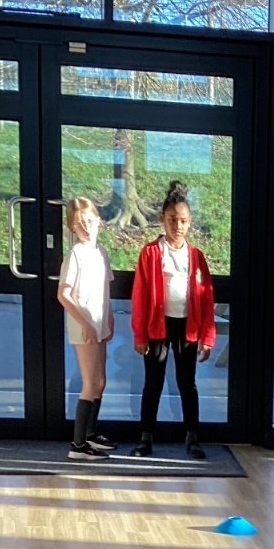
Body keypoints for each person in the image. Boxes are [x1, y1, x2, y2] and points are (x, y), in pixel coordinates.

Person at [130, 180, 216, 460]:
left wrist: (207, 336)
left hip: (187, 328)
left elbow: (206, 297)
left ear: (189, 222)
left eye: (183, 221)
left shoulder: (196, 257)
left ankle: (192, 438)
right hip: (157, 327)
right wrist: (139, 334)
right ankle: (145, 438)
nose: (178, 226)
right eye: (172, 220)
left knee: (186, 383)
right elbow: (140, 295)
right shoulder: (150, 253)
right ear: (162, 219)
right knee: (152, 383)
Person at [57, 197, 115, 462]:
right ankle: (78, 445)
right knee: (90, 384)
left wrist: (108, 317)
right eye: (80, 224)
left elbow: (105, 289)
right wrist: (86, 324)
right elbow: (63, 294)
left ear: (98, 221)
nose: (87, 227)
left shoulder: (100, 252)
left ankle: (91, 433)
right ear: (72, 227)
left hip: (99, 322)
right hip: (85, 326)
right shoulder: (75, 255)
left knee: (100, 382)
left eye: (90, 221)